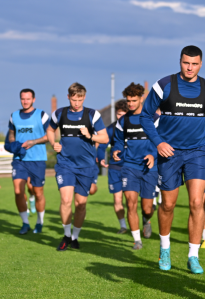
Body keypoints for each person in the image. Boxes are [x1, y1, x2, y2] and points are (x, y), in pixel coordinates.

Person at [140, 45, 205, 274]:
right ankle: (165, 249)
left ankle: (193, 255)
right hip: (170, 153)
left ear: (201, 64)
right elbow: (145, 116)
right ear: (180, 62)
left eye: (194, 64)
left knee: (197, 203)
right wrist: (159, 143)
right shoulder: (164, 85)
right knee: (168, 204)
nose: (190, 68)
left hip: (198, 152)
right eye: (186, 63)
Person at [47, 83, 109, 251]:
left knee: (80, 204)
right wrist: (54, 143)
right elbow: (50, 130)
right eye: (74, 99)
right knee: (66, 200)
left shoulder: (92, 115)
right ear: (68, 97)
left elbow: (104, 138)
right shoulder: (59, 113)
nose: (76, 103)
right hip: (65, 164)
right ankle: (66, 235)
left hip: (86, 167)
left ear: (84, 97)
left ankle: (75, 237)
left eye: (80, 99)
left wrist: (90, 135)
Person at [112, 83, 159, 250]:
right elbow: (118, 139)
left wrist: (153, 155)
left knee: (146, 208)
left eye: (133, 100)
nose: (130, 104)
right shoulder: (123, 120)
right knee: (130, 203)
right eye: (128, 100)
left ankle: (147, 219)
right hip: (130, 167)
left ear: (141, 98)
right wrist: (117, 149)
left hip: (150, 168)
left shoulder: (154, 118)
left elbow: (162, 141)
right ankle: (137, 240)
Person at [4, 88, 49, 234]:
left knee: (38, 192)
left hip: (37, 159)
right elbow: (11, 134)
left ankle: (40, 222)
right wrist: (14, 144)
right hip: (19, 159)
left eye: (28, 99)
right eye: (23, 99)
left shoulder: (41, 115)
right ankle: (25, 223)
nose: (25, 101)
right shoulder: (14, 116)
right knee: (18, 191)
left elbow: (50, 135)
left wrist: (33, 142)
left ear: (33, 99)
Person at [98, 99, 128, 234]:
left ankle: (145, 221)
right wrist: (100, 158)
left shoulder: (137, 126)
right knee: (117, 199)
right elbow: (102, 145)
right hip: (115, 168)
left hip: (131, 168)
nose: (120, 117)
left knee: (131, 199)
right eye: (118, 115)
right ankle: (123, 226)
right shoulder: (111, 129)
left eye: (123, 115)